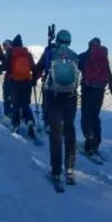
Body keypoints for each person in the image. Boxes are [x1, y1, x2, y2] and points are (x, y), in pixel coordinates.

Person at [35, 28, 82, 185]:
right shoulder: (74, 56)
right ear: (69, 42)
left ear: (57, 40)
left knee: (56, 133)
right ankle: (69, 169)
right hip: (71, 97)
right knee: (69, 130)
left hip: (53, 96)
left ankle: (56, 171)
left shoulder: (50, 53)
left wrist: (34, 78)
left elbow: (38, 69)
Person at [76, 37, 112, 157]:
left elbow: (77, 68)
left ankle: (89, 141)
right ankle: (96, 143)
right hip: (99, 91)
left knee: (86, 116)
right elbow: (108, 74)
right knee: (95, 116)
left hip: (87, 90)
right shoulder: (103, 58)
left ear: (89, 45)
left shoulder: (83, 56)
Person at [4, 35, 39, 140]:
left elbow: (6, 66)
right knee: (25, 104)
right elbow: (34, 69)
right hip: (27, 82)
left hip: (15, 82)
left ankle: (16, 125)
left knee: (16, 104)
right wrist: (33, 80)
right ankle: (30, 122)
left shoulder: (11, 52)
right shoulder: (27, 54)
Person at [0, 39, 14, 118]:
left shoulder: (8, 53)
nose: (3, 48)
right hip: (18, 80)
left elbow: (5, 66)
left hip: (9, 78)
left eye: (4, 46)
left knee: (6, 97)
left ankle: (8, 114)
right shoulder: (16, 52)